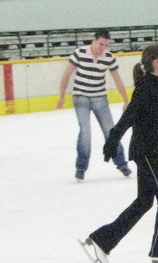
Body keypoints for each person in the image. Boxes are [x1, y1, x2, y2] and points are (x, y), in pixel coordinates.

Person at [80, 44, 158, 263]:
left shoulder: (156, 86)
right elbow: (128, 117)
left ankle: (102, 240)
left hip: (150, 151)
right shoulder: (146, 87)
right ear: (157, 62)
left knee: (145, 201)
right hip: (146, 152)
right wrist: (112, 141)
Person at [56, 28, 131, 181]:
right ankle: (81, 168)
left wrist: (126, 100)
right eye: (100, 44)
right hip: (81, 97)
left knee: (111, 132)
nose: (102, 48)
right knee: (85, 132)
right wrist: (61, 96)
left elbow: (118, 79)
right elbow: (66, 74)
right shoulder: (79, 53)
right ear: (94, 40)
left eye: (105, 45)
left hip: (100, 98)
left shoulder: (109, 58)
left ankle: (122, 164)